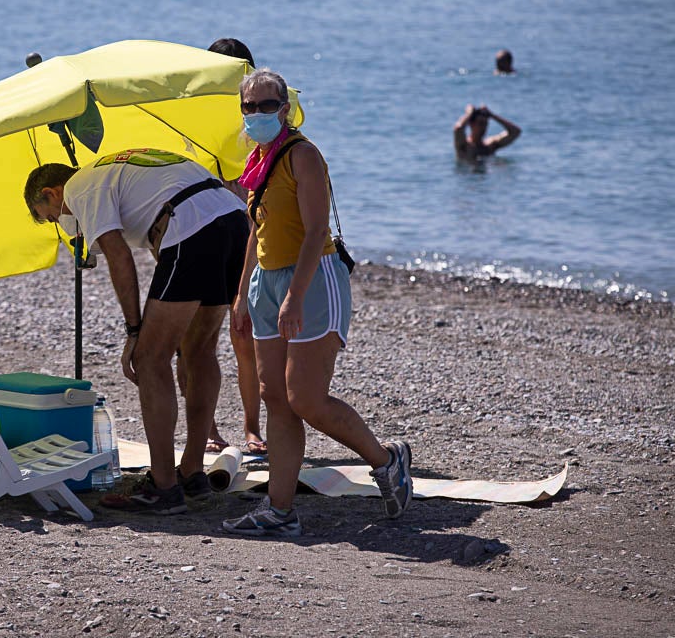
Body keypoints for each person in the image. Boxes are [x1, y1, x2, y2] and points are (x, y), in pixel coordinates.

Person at [221, 69, 413, 538]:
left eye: (268, 106)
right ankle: (279, 510)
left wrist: (294, 295)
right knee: (275, 399)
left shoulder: (302, 156)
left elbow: (314, 233)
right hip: (266, 281)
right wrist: (244, 293)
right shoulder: (258, 159)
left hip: (311, 278)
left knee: (303, 397)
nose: (259, 114)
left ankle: (387, 461)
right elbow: (257, 232)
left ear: (285, 108)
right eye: (251, 107)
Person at [23, 149, 250, 514]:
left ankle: (163, 487)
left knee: (149, 359)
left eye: (49, 217)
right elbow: (161, 244)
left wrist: (134, 331)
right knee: (198, 351)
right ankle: (192, 472)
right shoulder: (113, 171)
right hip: (234, 222)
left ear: (51, 193)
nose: (58, 223)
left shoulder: (80, 188)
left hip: (191, 228)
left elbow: (118, 255)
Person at [179, 37, 265, 457]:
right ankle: (207, 427)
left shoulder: (261, 118)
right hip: (199, 235)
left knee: (244, 338)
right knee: (197, 340)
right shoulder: (190, 119)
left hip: (247, 237)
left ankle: (252, 428)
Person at [453, 104, 522, 162]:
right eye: (481, 123)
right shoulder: (463, 146)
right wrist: (469, 114)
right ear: (471, 124)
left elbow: (516, 132)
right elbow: (458, 128)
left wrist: (492, 115)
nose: (484, 127)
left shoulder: (490, 145)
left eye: (486, 124)